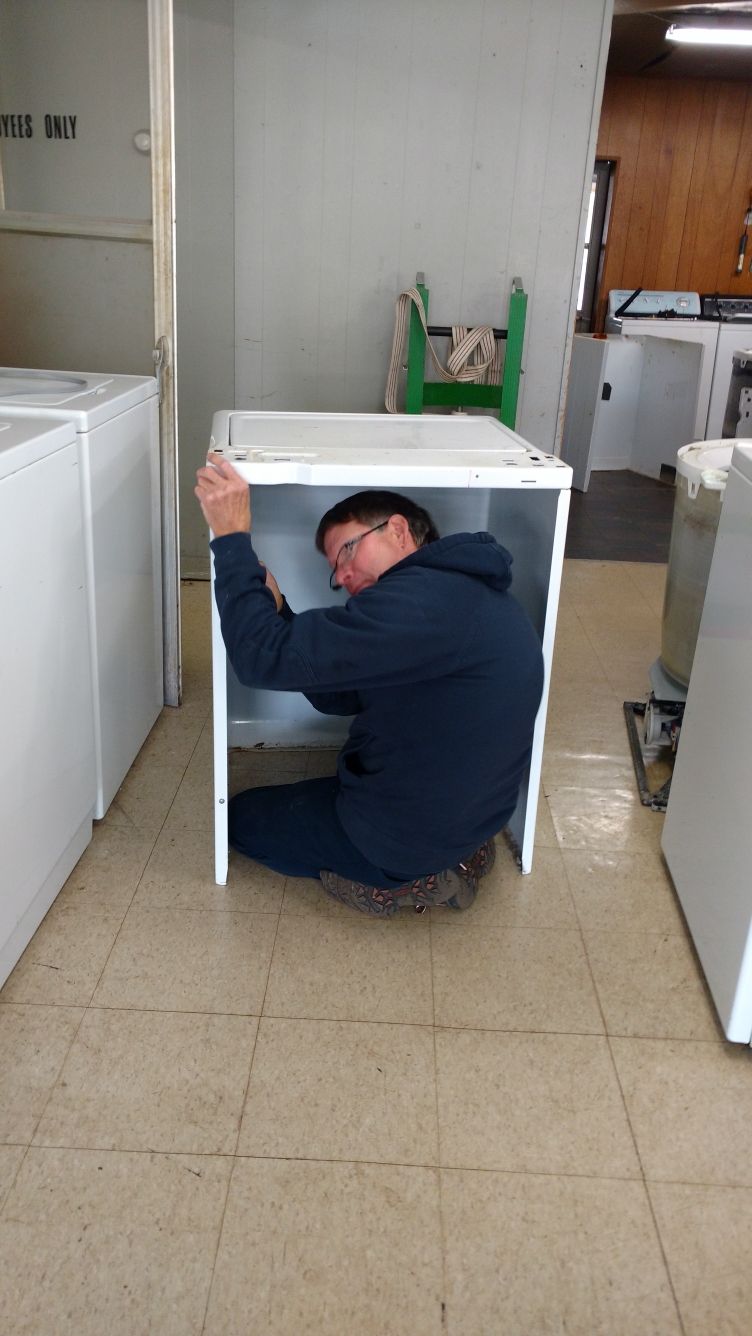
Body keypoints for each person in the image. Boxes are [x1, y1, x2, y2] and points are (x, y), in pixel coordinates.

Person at [195, 452, 544, 916]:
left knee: (240, 820)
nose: (341, 576)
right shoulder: (460, 593)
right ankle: (458, 853)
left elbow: (260, 660)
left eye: (347, 550)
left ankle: (402, 881)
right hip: (473, 816)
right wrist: (279, 612)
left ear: (398, 530)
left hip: (404, 837)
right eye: (335, 571)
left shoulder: (416, 606)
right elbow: (342, 693)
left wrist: (231, 537)